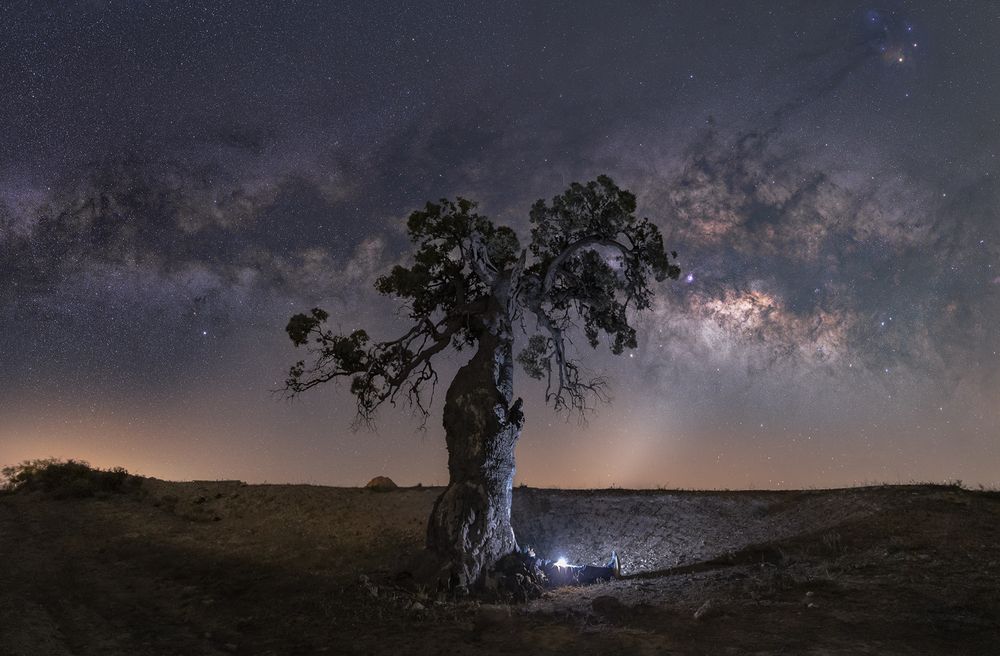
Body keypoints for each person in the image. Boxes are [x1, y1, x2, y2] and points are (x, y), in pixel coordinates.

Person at [536, 550, 621, 587]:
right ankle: (611, 571)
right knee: (582, 570)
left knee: (582, 571)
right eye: (529, 549)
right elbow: (540, 566)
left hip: (554, 571)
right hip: (557, 573)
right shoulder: (532, 561)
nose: (531, 549)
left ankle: (609, 573)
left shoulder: (533, 561)